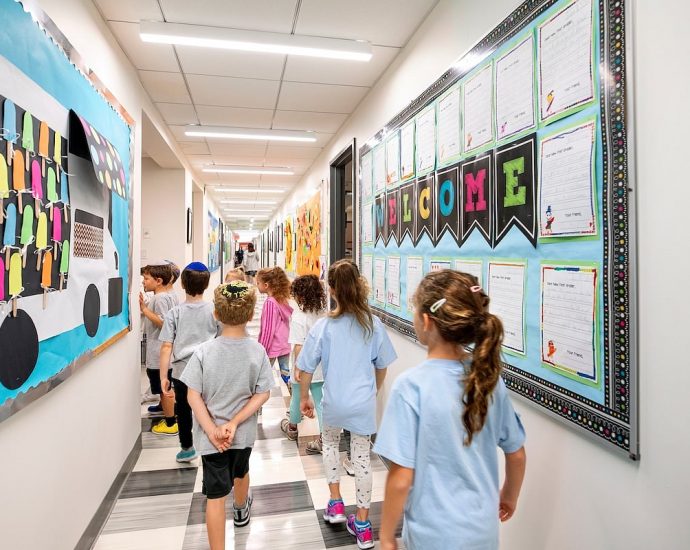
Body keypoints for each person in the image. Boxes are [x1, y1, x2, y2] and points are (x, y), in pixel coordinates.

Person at [374, 270, 527, 550]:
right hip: (483, 533)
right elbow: (516, 454)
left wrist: (386, 538)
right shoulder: (489, 381)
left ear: (426, 321)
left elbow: (401, 478)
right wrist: (509, 496)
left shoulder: (411, 387)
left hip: (432, 535)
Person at [300, 260, 397, 550]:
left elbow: (306, 368)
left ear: (331, 289)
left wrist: (304, 397)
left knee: (330, 445)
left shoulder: (324, 326)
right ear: (359, 285)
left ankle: (335, 503)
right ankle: (363, 526)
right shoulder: (372, 324)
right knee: (362, 457)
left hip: (334, 401)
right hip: (362, 403)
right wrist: (373, 390)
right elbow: (382, 365)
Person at [181, 281, 275, 549]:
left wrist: (212, 430)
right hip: (241, 435)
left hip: (212, 441)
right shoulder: (257, 351)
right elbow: (263, 394)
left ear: (216, 314)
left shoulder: (203, 352)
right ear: (251, 313)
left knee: (215, 497)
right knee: (241, 471)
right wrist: (234, 423)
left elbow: (192, 396)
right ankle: (241, 508)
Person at [159, 262, 219, 460]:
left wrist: (163, 377)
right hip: (209, 369)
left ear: (182, 284)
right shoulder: (215, 310)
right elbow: (221, 340)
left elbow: (166, 346)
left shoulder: (174, 313)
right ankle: (212, 442)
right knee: (210, 407)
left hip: (182, 372)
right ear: (207, 284)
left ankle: (187, 448)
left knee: (183, 409)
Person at [281, 275, 326, 450]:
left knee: (297, 398)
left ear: (299, 296)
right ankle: (324, 437)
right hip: (321, 367)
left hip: (303, 367)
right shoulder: (324, 314)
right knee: (321, 402)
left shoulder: (299, 317)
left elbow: (299, 345)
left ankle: (292, 428)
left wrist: (298, 368)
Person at [139, 263, 179, 421]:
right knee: (163, 387)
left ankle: (170, 421)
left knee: (164, 388)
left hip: (158, 352)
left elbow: (163, 322)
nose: (143, 282)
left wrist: (144, 309)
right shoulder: (165, 296)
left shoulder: (160, 298)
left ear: (158, 281)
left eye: (146, 279)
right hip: (160, 351)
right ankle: (164, 407)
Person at [256, 267, 293, 389]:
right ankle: (294, 394)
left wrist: (262, 349)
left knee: (262, 374)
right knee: (285, 372)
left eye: (258, 283)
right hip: (284, 344)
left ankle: (259, 396)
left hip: (272, 346)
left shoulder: (270, 303)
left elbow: (268, 330)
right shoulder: (281, 299)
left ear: (266, 285)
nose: (257, 285)